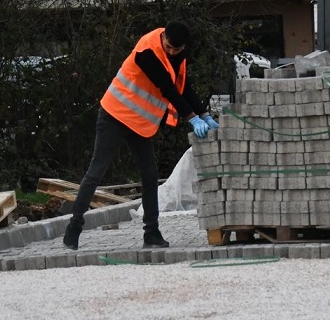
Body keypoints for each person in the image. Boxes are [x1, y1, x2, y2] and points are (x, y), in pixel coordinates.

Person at [63, 22, 217, 250]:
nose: (171, 52)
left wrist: (204, 114)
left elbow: (184, 87)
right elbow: (167, 88)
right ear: (163, 36)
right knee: (96, 171)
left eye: (176, 49)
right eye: (169, 47)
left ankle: (151, 232)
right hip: (115, 114)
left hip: (140, 123)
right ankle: (74, 227)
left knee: (150, 175)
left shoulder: (178, 56)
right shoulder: (147, 50)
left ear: (183, 47)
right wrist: (191, 118)